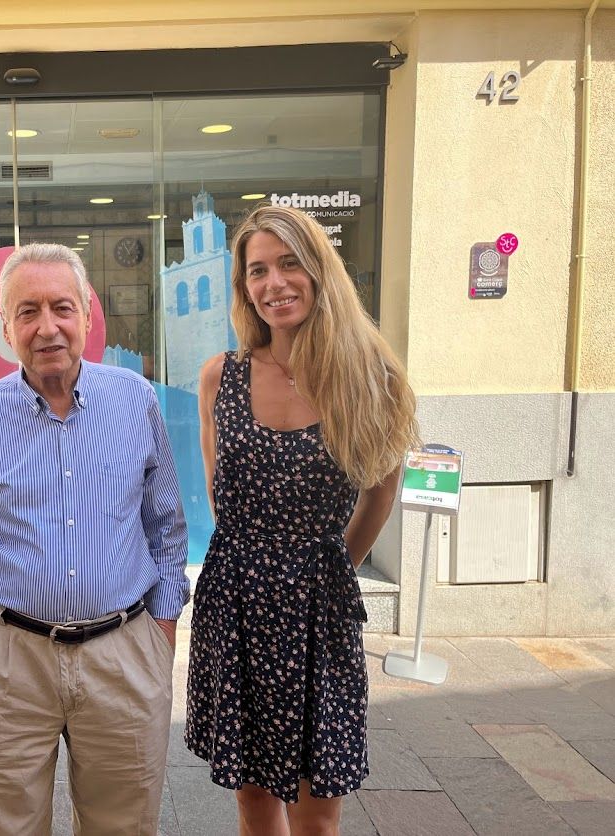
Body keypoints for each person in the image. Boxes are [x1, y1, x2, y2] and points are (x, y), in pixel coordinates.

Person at [0, 242, 189, 836]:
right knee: (10, 828)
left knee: (124, 825)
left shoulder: (135, 401)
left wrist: (160, 634)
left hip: (122, 651)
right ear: (4, 329)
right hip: (9, 660)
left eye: (62, 308)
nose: (47, 328)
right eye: (27, 311)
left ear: (89, 319)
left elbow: (166, 524)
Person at [185, 205, 419, 836]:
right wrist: (257, 558)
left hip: (321, 603)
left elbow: (379, 492)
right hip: (237, 598)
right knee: (253, 798)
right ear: (243, 288)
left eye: (289, 263)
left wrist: (329, 563)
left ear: (319, 271)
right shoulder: (221, 378)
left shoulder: (372, 379)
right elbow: (219, 489)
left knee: (318, 811)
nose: (274, 283)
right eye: (257, 270)